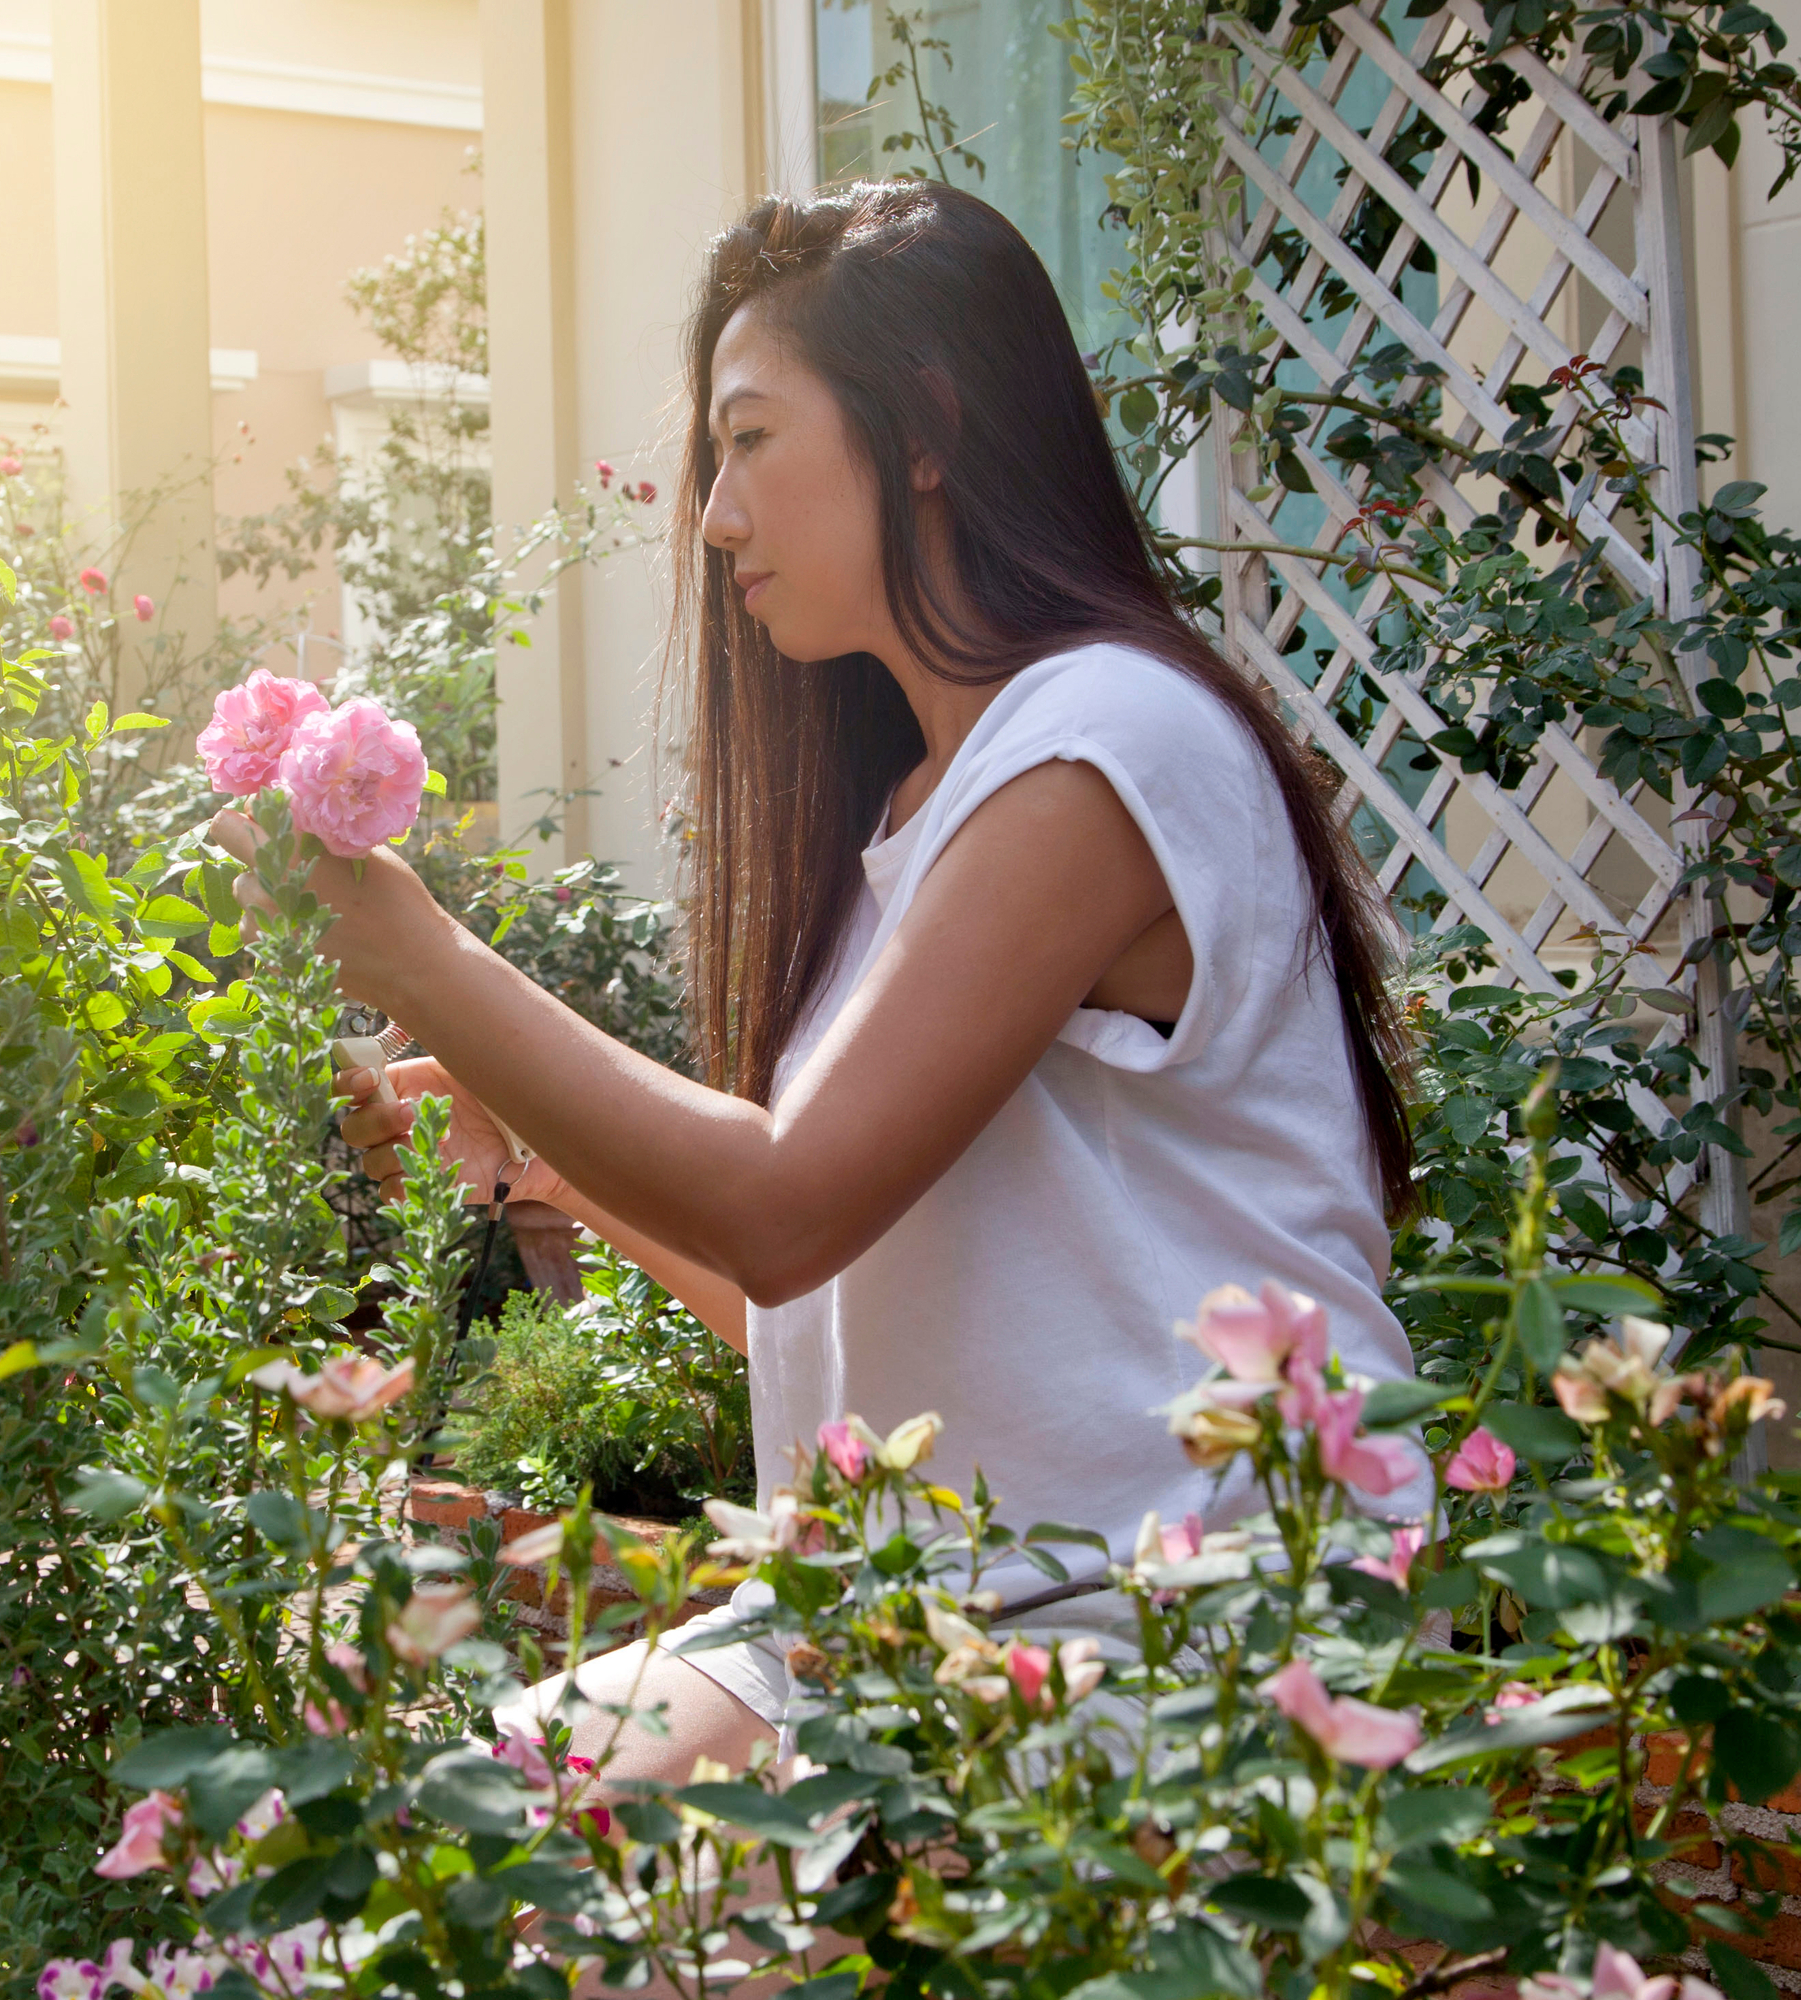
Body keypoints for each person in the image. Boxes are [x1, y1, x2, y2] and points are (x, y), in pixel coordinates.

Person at [267, 179, 1417, 1784]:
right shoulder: (916, 815)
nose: (715, 515)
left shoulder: (1106, 744)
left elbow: (787, 1206)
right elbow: (810, 1304)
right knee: (432, 1819)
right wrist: (537, 1160)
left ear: (925, 427)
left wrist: (426, 960)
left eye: (750, 440)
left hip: (1164, 1634)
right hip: (896, 1623)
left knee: (479, 1859)